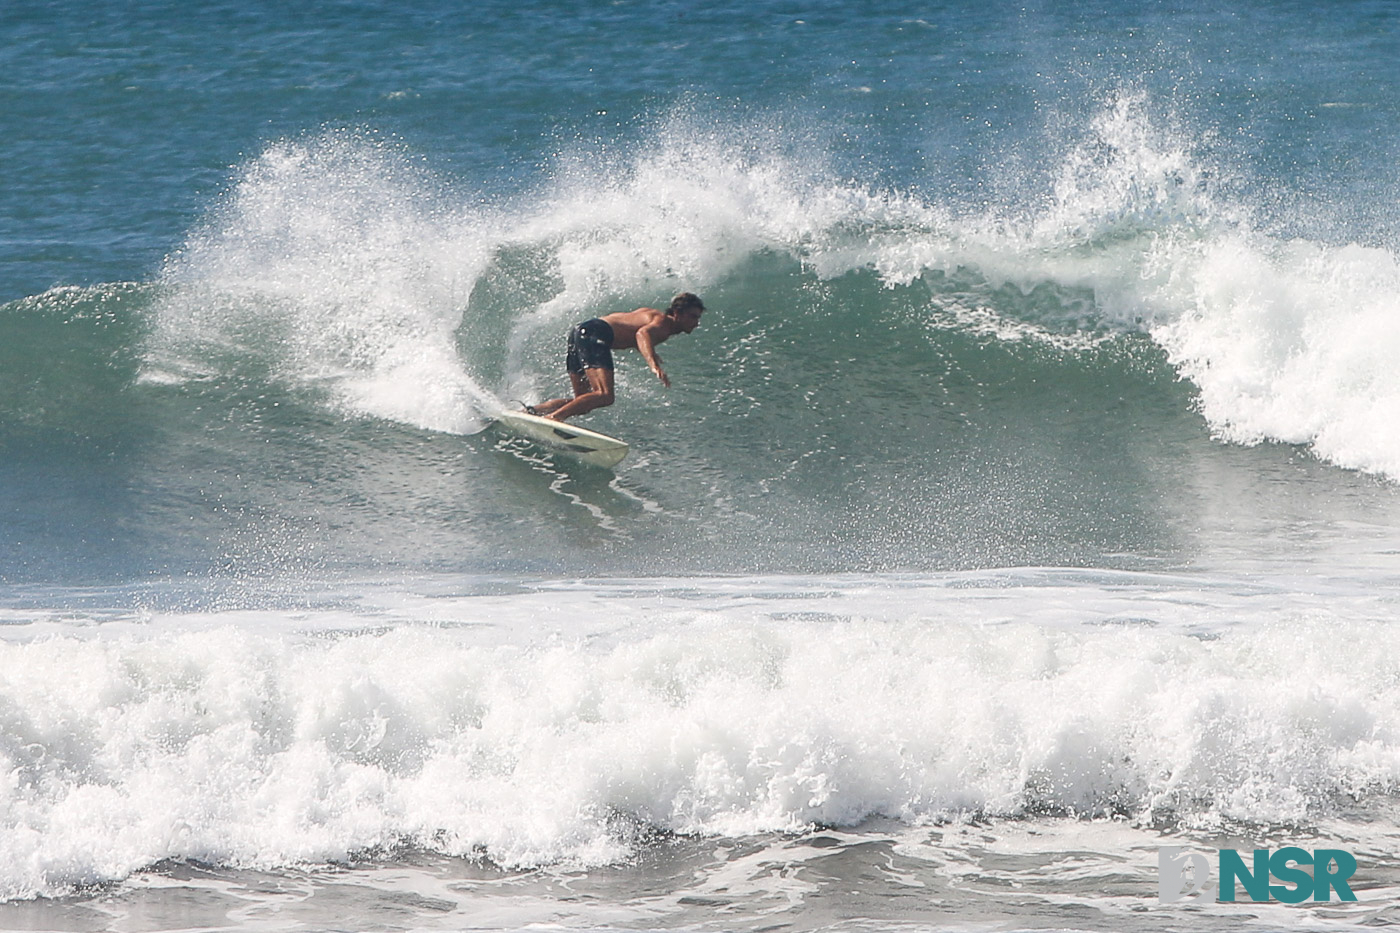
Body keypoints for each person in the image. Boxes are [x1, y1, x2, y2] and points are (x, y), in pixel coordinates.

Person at [529, 293, 704, 422]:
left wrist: (650, 351)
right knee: (605, 395)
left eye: (698, 317)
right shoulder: (664, 324)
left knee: (583, 399)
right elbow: (642, 334)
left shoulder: (652, 315)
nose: (696, 322)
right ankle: (553, 418)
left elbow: (630, 329)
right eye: (692, 316)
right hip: (596, 333)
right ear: (677, 313)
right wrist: (653, 364)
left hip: (581, 331)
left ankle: (533, 411)